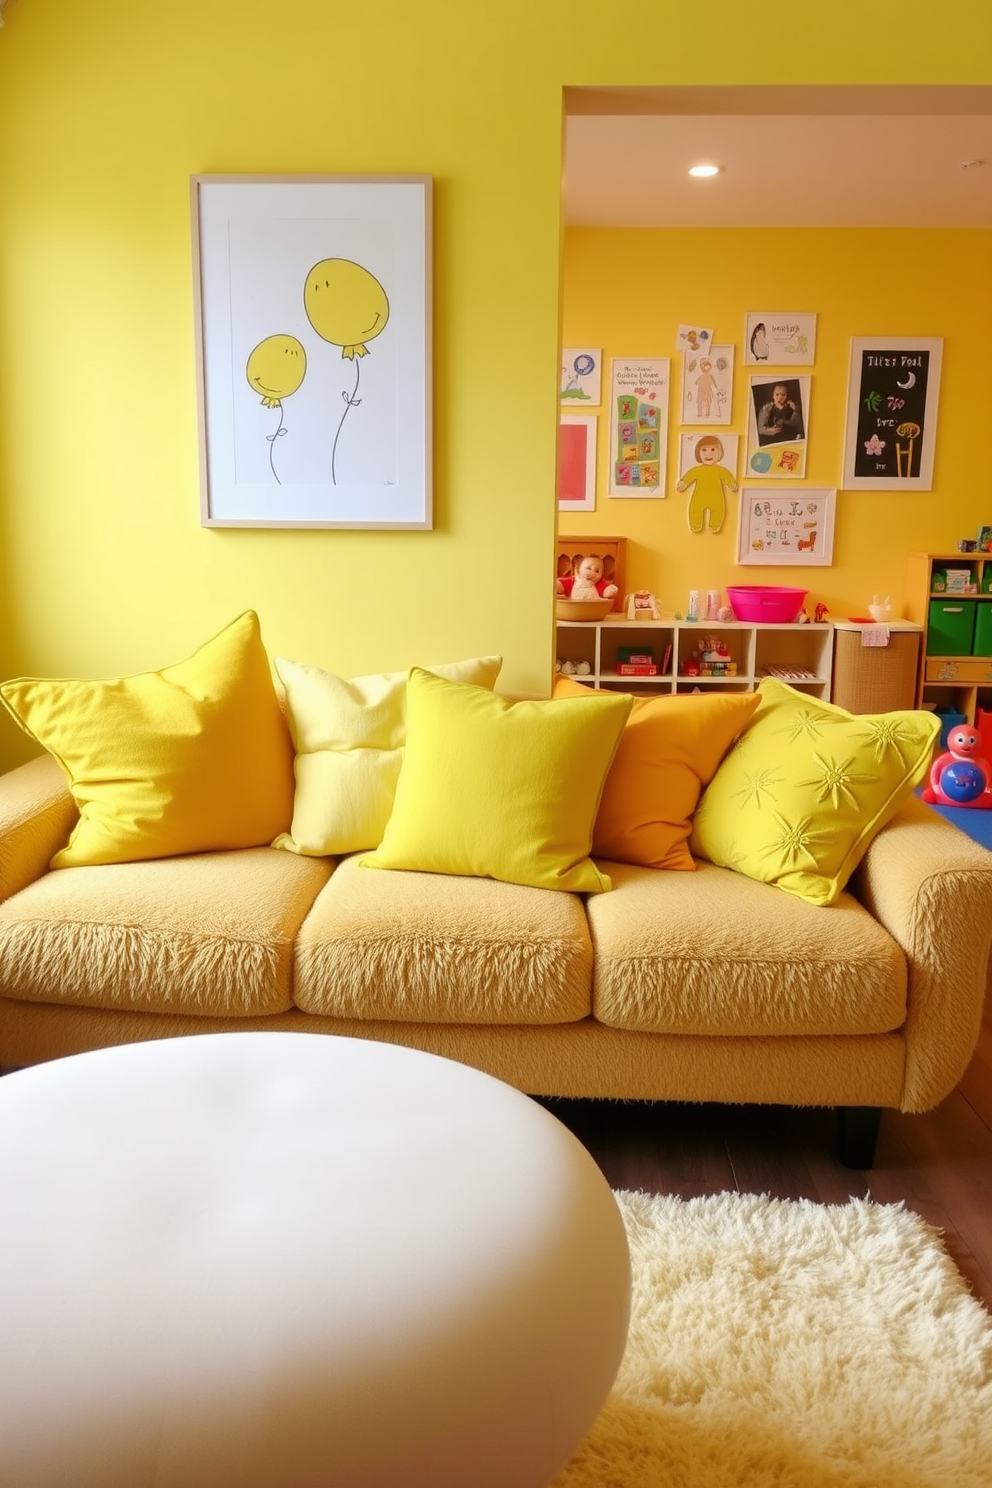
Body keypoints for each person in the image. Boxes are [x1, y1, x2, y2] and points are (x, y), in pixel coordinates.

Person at [677, 435, 738, 535]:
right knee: (695, 509)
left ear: (720, 452)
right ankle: (695, 524)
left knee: (718, 509)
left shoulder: (720, 470)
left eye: (713, 449)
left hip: (716, 496)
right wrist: (683, 484)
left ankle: (715, 525)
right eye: (704, 450)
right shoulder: (697, 470)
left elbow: (728, 477)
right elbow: (689, 476)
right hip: (699, 496)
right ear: (698, 453)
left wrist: (732, 484)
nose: (708, 453)